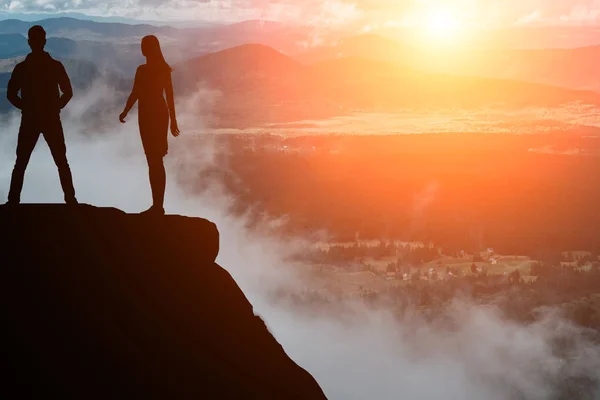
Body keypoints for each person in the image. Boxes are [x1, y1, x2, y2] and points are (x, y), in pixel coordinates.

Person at [6, 25, 77, 205]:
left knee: (21, 162)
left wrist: (26, 107)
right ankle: (70, 200)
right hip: (51, 118)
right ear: (44, 41)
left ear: (29, 42)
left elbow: (11, 94)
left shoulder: (22, 68)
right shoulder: (55, 66)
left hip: (30, 119)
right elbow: (68, 92)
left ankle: (13, 201)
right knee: (61, 161)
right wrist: (56, 107)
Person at [119, 35, 180, 216]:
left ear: (148, 48)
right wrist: (173, 120)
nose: (142, 49)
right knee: (156, 160)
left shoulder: (143, 70)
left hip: (147, 115)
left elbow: (135, 93)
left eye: (143, 46)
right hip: (159, 114)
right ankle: (157, 205)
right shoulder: (163, 69)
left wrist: (125, 111)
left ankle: (157, 206)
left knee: (153, 160)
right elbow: (169, 96)